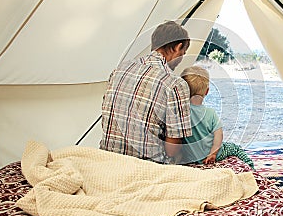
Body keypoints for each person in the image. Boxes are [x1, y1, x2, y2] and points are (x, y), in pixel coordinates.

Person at [100, 21, 192, 164]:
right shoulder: (175, 84)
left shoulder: (119, 70)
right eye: (183, 53)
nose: (181, 59)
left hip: (108, 160)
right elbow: (172, 149)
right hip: (145, 167)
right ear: (177, 47)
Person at [180, 66, 254, 169]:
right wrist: (213, 153)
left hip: (191, 157)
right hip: (213, 154)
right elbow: (219, 135)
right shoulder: (210, 113)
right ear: (207, 91)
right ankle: (251, 169)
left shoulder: (181, 113)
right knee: (235, 148)